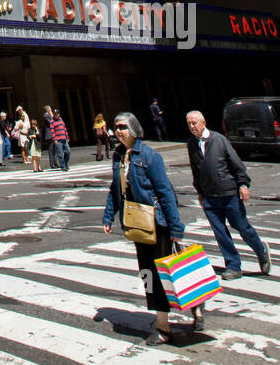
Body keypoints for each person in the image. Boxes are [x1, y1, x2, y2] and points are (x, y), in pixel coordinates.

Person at [103, 111, 194, 343]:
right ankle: (172, 315)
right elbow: (116, 188)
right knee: (147, 274)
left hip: (157, 223)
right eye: (116, 127)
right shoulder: (118, 156)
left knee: (163, 273)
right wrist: (108, 217)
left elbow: (165, 192)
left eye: (122, 126)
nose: (118, 131)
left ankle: (167, 324)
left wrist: (176, 228)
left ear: (133, 128)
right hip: (136, 224)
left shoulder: (150, 157)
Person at [186, 110, 271, 279]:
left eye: (194, 123)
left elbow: (236, 163)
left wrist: (243, 184)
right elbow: (195, 170)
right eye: (189, 124)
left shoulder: (218, 140)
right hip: (210, 196)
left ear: (203, 123)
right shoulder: (191, 144)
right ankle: (233, 265)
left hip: (229, 193)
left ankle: (261, 250)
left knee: (242, 227)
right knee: (220, 232)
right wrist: (200, 192)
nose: (192, 126)